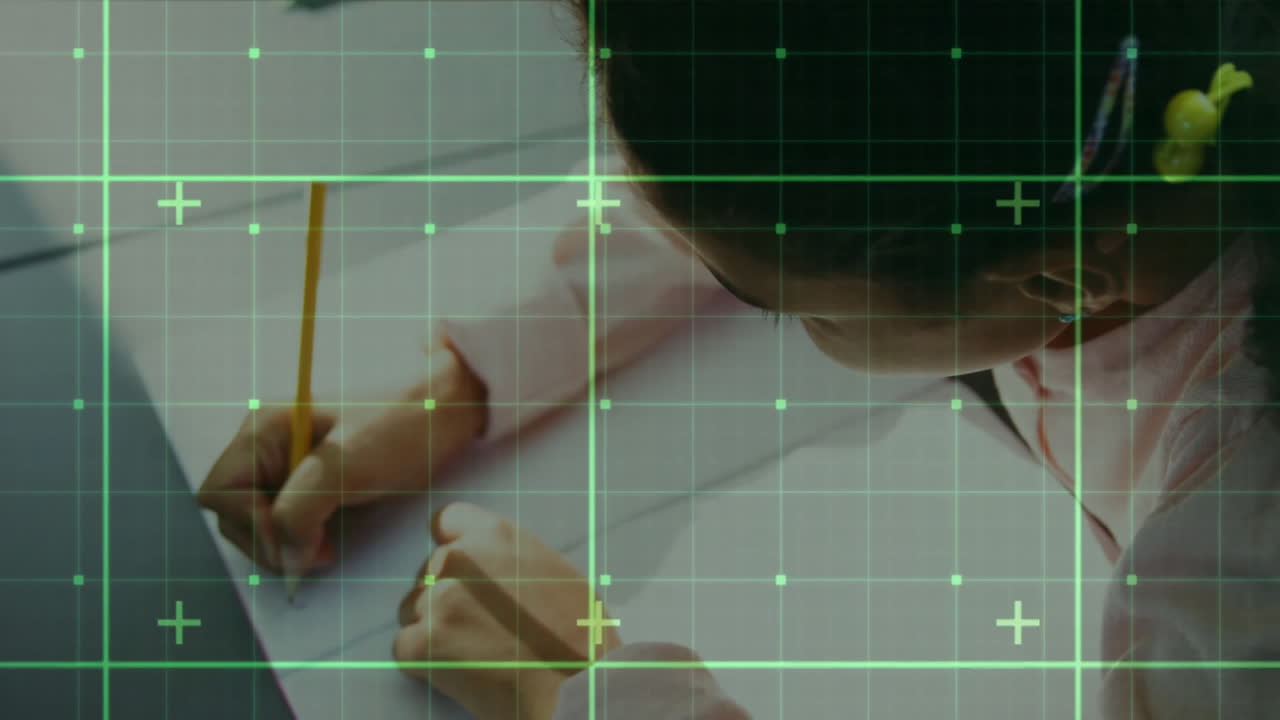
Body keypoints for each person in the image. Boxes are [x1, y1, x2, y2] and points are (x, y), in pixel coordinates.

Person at [200, 0, 1280, 717]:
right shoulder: (1096, 129)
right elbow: (756, 175)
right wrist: (455, 387)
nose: (724, 280)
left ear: (1056, 277)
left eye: (770, 302)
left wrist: (585, 689)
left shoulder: (1231, 553)